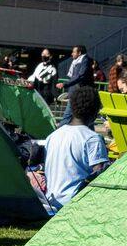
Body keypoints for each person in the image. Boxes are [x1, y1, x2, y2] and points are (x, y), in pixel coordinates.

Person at [41, 85, 110, 214]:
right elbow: (99, 175)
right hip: (75, 204)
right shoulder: (92, 139)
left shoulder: (53, 136)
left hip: (51, 201)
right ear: (95, 110)